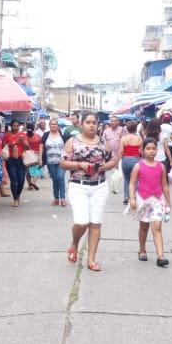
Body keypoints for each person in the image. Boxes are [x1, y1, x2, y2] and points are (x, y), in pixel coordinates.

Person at [62, 112, 117, 272]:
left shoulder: (103, 142)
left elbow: (113, 159)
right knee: (82, 221)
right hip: (78, 185)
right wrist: (80, 165)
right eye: (88, 122)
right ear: (82, 124)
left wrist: (105, 166)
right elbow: (63, 163)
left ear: (98, 124)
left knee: (95, 223)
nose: (91, 125)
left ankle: (91, 259)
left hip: (99, 186)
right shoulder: (72, 141)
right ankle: (74, 243)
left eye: (94, 122)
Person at [131, 137, 172, 267]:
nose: (151, 151)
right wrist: (132, 198)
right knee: (144, 227)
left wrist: (168, 201)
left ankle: (160, 256)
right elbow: (132, 184)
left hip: (158, 200)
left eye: (153, 149)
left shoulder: (161, 166)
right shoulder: (138, 166)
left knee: (157, 227)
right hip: (143, 200)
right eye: (148, 148)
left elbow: (165, 185)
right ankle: (142, 249)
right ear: (142, 151)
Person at [4, 121, 32, 206]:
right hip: (10, 160)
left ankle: (18, 194)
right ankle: (15, 199)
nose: (15, 127)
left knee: (21, 180)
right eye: (14, 126)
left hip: (21, 160)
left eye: (17, 126)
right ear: (11, 126)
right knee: (13, 179)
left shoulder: (22, 135)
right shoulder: (7, 135)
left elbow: (28, 148)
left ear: (19, 126)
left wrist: (22, 142)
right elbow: (3, 146)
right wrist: (9, 144)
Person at [118, 121, 144, 204]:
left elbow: (121, 151)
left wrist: (117, 161)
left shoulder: (123, 138)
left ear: (127, 129)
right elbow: (142, 152)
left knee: (126, 179)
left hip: (125, 159)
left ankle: (126, 196)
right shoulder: (139, 139)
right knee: (135, 179)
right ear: (136, 129)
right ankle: (133, 197)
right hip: (135, 159)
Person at [44, 119, 67, 206]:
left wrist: (66, 157)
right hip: (50, 161)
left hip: (61, 161)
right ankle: (56, 198)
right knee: (55, 179)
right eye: (52, 124)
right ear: (49, 125)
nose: (53, 126)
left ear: (57, 126)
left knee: (60, 177)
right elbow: (41, 146)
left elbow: (67, 146)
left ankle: (63, 198)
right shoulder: (46, 135)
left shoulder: (62, 134)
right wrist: (40, 159)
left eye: (55, 124)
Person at [25, 125, 42, 191]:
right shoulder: (38, 136)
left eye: (30, 131)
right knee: (36, 170)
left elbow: (41, 146)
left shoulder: (38, 136)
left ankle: (31, 184)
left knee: (34, 170)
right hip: (30, 155)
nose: (29, 133)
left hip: (32, 155)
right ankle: (32, 183)